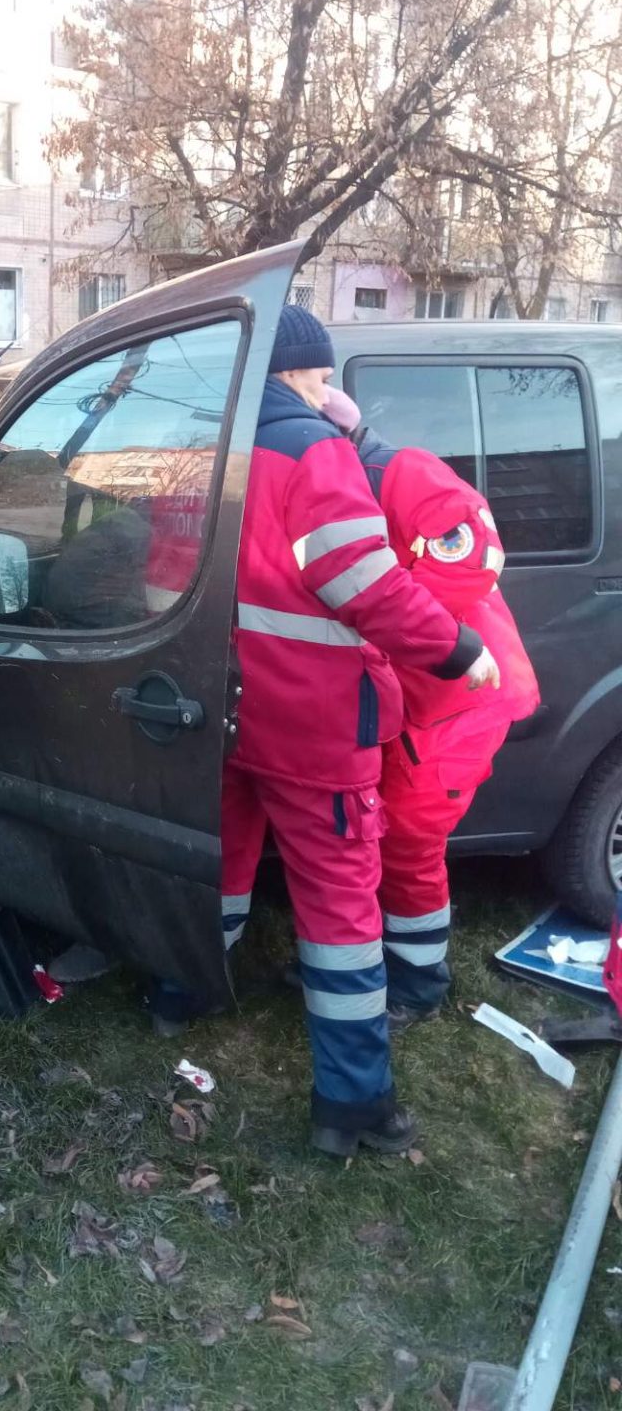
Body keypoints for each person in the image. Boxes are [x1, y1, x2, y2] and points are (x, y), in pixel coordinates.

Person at [215, 305, 498, 1158]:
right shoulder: (311, 450)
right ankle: (352, 1103)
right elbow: (365, 584)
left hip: (221, 711)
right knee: (340, 909)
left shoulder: (212, 447)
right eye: (323, 374)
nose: (330, 391)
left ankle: (188, 987)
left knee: (223, 861)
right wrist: (458, 651)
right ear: (296, 371)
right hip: (317, 725)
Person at [320, 385, 540, 1029]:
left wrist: (381, 617)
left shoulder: (402, 472)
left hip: (454, 705)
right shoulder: (332, 482)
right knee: (374, 838)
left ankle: (418, 982)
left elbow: (471, 561)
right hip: (407, 704)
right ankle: (371, 965)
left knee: (411, 844)